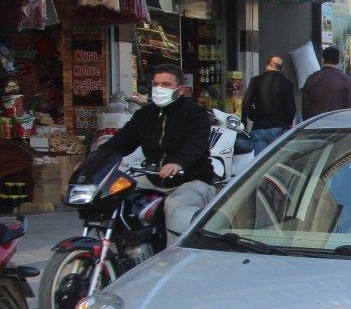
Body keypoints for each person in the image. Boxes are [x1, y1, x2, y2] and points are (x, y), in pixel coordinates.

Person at [104, 64, 216, 224]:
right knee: (115, 197)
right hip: (152, 180)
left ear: (181, 90)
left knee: (174, 205)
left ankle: (174, 249)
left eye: (166, 85)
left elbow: (196, 143)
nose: (159, 89)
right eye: (156, 84)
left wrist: (178, 162)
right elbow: (119, 143)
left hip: (192, 181)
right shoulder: (144, 114)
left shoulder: (196, 113)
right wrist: (93, 160)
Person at [242, 54, 296, 155]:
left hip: (258, 126)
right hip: (277, 127)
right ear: (282, 69)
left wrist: (249, 117)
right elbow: (291, 108)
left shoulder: (255, 81)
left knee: (259, 162)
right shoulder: (287, 84)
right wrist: (287, 123)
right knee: (274, 162)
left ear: (268, 66)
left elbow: (246, 103)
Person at [301, 47, 351, 120]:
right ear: (338, 61)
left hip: (315, 126)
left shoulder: (312, 78)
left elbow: (305, 107)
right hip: (338, 126)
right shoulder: (347, 81)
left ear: (322, 60)